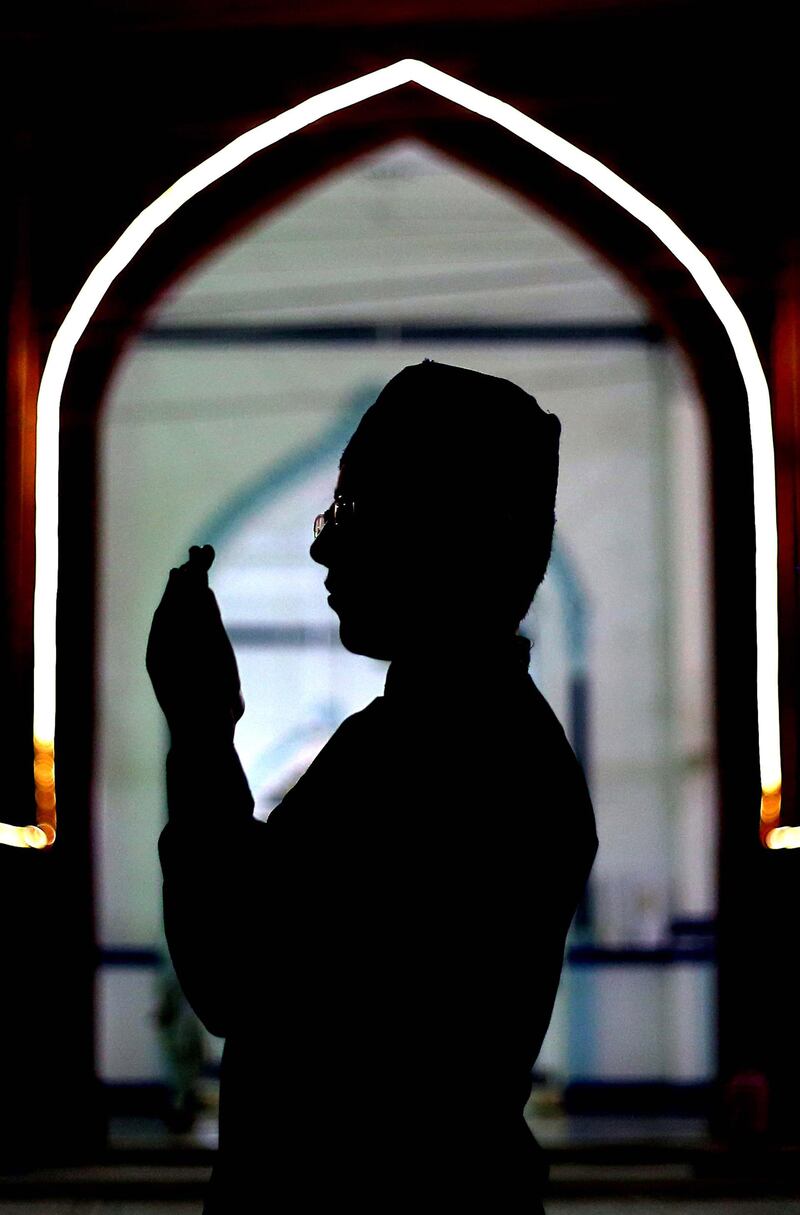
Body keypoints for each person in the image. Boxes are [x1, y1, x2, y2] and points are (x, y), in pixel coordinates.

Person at [147, 359, 598, 1213]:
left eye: (355, 511)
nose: (324, 542)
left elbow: (233, 975)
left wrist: (202, 733)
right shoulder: (461, 740)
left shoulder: (441, 759)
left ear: (459, 535)